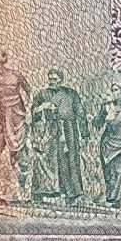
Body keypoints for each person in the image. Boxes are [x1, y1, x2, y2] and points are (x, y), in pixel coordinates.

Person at [29, 69, 87, 205]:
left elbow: (80, 112)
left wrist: (84, 133)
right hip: (49, 131)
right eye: (50, 79)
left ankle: (72, 195)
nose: (51, 82)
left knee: (70, 160)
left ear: (61, 80)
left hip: (69, 130)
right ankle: (42, 193)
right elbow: (33, 112)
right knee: (47, 160)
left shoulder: (71, 93)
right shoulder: (42, 94)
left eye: (54, 79)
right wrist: (42, 107)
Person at [0, 50, 31, 181]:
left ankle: (23, 178)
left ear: (4, 58)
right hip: (0, 114)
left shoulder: (15, 74)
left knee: (19, 145)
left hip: (17, 113)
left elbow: (29, 91)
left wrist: (29, 110)